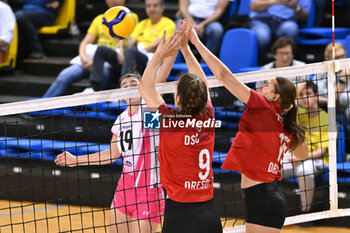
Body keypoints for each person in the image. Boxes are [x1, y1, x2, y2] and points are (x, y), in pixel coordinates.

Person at [189, 19, 309, 232]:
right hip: (264, 197)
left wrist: (196, 43)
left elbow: (224, 75)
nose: (262, 85)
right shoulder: (284, 124)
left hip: (264, 199)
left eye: (268, 85)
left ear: (276, 97)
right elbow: (303, 154)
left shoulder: (263, 107)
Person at [54, 53, 176, 232]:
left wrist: (171, 51)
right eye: (124, 86)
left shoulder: (150, 112)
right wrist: (75, 160)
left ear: (142, 88)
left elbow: (159, 81)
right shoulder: (121, 119)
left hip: (149, 191)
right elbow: (111, 155)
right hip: (124, 189)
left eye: (133, 85)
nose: (128, 88)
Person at [138, 21, 222, 233]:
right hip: (209, 210)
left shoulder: (168, 120)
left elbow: (144, 87)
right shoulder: (208, 116)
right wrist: (185, 47)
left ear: (176, 99)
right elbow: (201, 81)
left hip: (180, 212)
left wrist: (158, 55)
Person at [43, 0, 129, 98]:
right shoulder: (99, 19)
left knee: (104, 71)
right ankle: (41, 106)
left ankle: (93, 105)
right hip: (91, 59)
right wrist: (84, 58)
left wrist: (97, 61)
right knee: (64, 75)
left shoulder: (130, 18)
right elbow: (85, 42)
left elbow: (124, 44)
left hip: (110, 61)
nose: (114, 1)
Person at [90, 0, 176, 90]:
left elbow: (156, 46)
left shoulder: (168, 24)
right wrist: (123, 53)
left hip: (151, 58)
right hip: (132, 57)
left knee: (131, 52)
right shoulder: (142, 24)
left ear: (162, 7)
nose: (151, 9)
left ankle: (123, 87)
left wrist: (131, 52)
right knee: (101, 50)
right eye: (149, 6)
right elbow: (130, 41)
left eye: (154, 6)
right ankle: (94, 86)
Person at [283, 81, 329, 216]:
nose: (305, 98)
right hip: (295, 158)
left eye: (308, 94)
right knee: (272, 168)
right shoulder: (298, 113)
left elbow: (322, 151)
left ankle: (306, 212)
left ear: (316, 96)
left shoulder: (326, 118)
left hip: (317, 160)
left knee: (305, 170)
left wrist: (300, 157)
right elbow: (288, 104)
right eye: (302, 95)